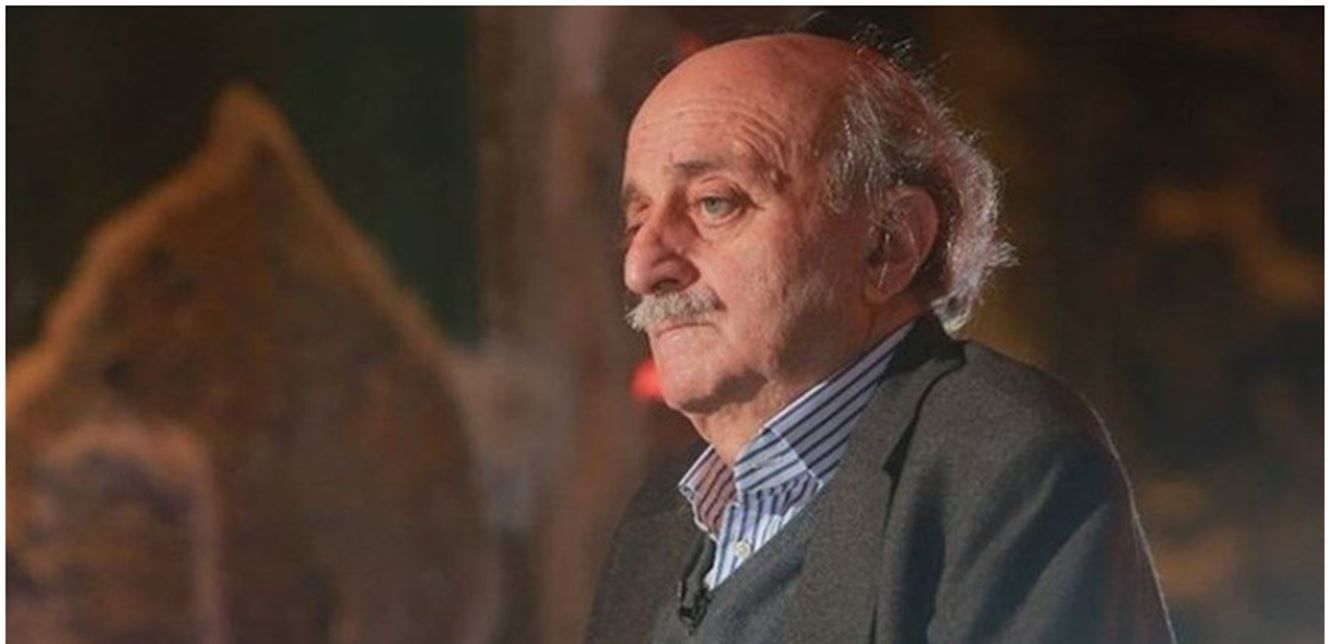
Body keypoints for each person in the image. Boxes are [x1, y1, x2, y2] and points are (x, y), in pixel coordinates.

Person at [586, 32, 1175, 644]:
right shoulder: (659, 518)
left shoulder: (1004, 467)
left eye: (715, 203)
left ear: (888, 243)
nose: (641, 268)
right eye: (636, 221)